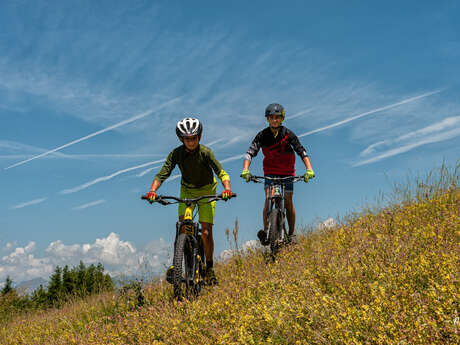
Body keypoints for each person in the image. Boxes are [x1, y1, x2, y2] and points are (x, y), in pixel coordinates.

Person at [146, 117, 232, 285]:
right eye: (187, 139)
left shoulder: (206, 152)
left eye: (193, 138)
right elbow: (163, 173)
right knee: (182, 226)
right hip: (187, 190)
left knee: (206, 232)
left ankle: (209, 267)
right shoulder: (176, 154)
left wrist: (226, 188)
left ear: (199, 137)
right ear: (181, 139)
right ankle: (176, 264)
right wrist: (152, 191)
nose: (191, 142)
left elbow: (221, 172)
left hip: (208, 190)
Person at [240, 103, 315, 244]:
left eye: (277, 117)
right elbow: (250, 153)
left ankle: (291, 234)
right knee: (269, 198)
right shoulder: (262, 135)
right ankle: (267, 231)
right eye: (271, 117)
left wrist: (309, 169)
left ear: (282, 118)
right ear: (267, 119)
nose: (275, 120)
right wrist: (246, 169)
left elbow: (302, 151)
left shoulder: (288, 134)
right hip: (270, 173)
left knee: (288, 202)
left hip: (287, 172)